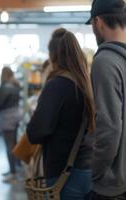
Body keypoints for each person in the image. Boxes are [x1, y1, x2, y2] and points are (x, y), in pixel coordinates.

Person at [27, 28, 96, 199]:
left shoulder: (56, 85)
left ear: (52, 57)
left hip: (65, 172)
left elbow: (36, 132)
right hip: (89, 167)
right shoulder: (84, 82)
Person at [87, 0, 126, 199]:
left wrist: (94, 171)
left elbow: (110, 128)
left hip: (112, 186)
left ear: (98, 22)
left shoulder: (105, 61)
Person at [0, 66, 21, 183]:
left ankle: (13, 173)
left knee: (9, 145)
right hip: (15, 116)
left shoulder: (4, 87)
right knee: (14, 144)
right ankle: (13, 169)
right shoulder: (16, 85)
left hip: (7, 118)